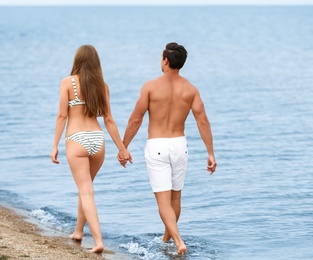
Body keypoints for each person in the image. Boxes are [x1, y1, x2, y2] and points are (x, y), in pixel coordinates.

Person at [119, 42, 217, 254]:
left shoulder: (151, 87)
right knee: (175, 198)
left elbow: (136, 119)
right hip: (179, 146)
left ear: (165, 60)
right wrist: (210, 152)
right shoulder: (190, 90)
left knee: (163, 201)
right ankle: (166, 237)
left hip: (158, 146)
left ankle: (178, 241)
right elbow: (203, 121)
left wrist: (123, 147)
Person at [50, 45, 132, 253]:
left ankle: (98, 241)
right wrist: (122, 148)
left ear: (77, 61)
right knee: (85, 188)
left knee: (86, 191)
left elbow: (62, 116)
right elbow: (109, 120)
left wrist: (55, 145)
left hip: (76, 139)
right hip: (97, 140)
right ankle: (78, 231)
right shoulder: (102, 86)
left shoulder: (67, 83)